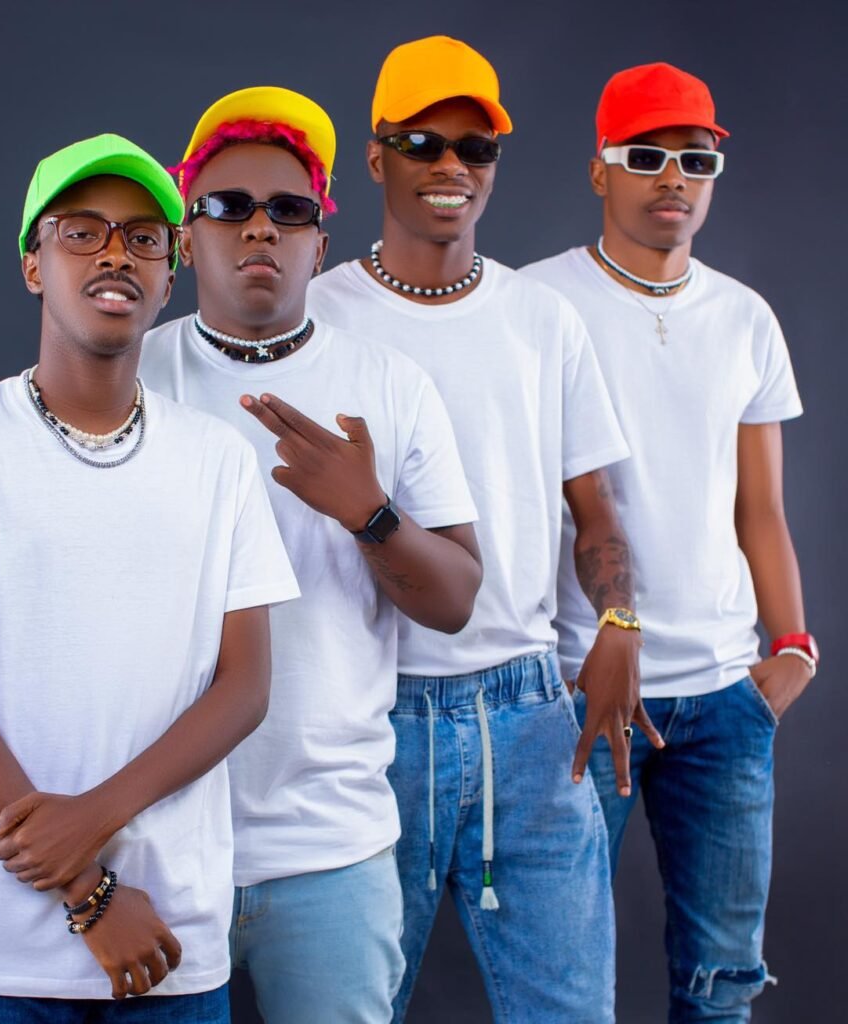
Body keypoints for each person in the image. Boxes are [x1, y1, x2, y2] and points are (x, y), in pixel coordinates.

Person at [0, 133, 300, 1023]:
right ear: (33, 264)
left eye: (144, 238)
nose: (115, 254)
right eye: (82, 231)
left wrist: (91, 820)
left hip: (171, 943)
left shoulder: (217, 460)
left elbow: (245, 687)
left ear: (169, 277)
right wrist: (90, 895)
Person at [309, 36, 650, 1024]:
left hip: (531, 717)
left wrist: (620, 623)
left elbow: (595, 510)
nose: (450, 165)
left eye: (475, 146)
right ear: (376, 157)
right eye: (422, 143)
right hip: (370, 719)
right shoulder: (319, 316)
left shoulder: (542, 319)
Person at [140, 86, 482, 1024]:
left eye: (289, 210)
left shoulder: (389, 384)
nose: (261, 228)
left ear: (319, 245)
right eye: (228, 207)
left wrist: (371, 515)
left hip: (332, 846)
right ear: (186, 238)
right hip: (158, 840)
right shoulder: (133, 377)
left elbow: (456, 601)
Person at [521, 62, 814, 1022]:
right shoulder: (537, 303)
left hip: (727, 702)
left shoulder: (744, 318)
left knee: (721, 986)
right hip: (581, 690)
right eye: (645, 156)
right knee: (564, 984)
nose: (674, 178)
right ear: (598, 171)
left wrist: (793, 648)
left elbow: (759, 508)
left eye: (696, 159)